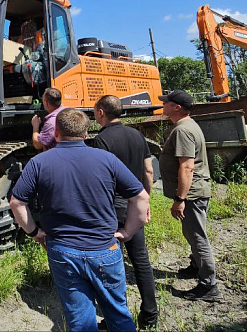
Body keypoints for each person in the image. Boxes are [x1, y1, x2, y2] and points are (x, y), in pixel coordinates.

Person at [9, 108, 150, 332]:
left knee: (80, 321)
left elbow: (17, 203)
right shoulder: (107, 160)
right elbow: (141, 198)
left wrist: (34, 233)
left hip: (64, 251)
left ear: (55, 132)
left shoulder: (39, 162)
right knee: (118, 314)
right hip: (105, 248)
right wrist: (129, 231)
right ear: (86, 133)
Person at [89, 95, 158, 330]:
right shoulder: (137, 135)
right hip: (134, 205)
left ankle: (116, 318)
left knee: (112, 265)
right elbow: (148, 170)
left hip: (112, 210)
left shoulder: (101, 140)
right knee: (141, 260)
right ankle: (150, 314)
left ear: (100, 113)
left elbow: (101, 180)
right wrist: (145, 200)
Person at [158, 89, 221, 302]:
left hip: (192, 194)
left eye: (166, 102)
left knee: (197, 236)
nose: (163, 105)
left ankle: (208, 285)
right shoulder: (187, 125)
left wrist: (180, 199)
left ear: (176, 107)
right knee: (192, 233)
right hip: (194, 192)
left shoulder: (183, 130)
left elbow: (187, 167)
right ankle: (196, 267)